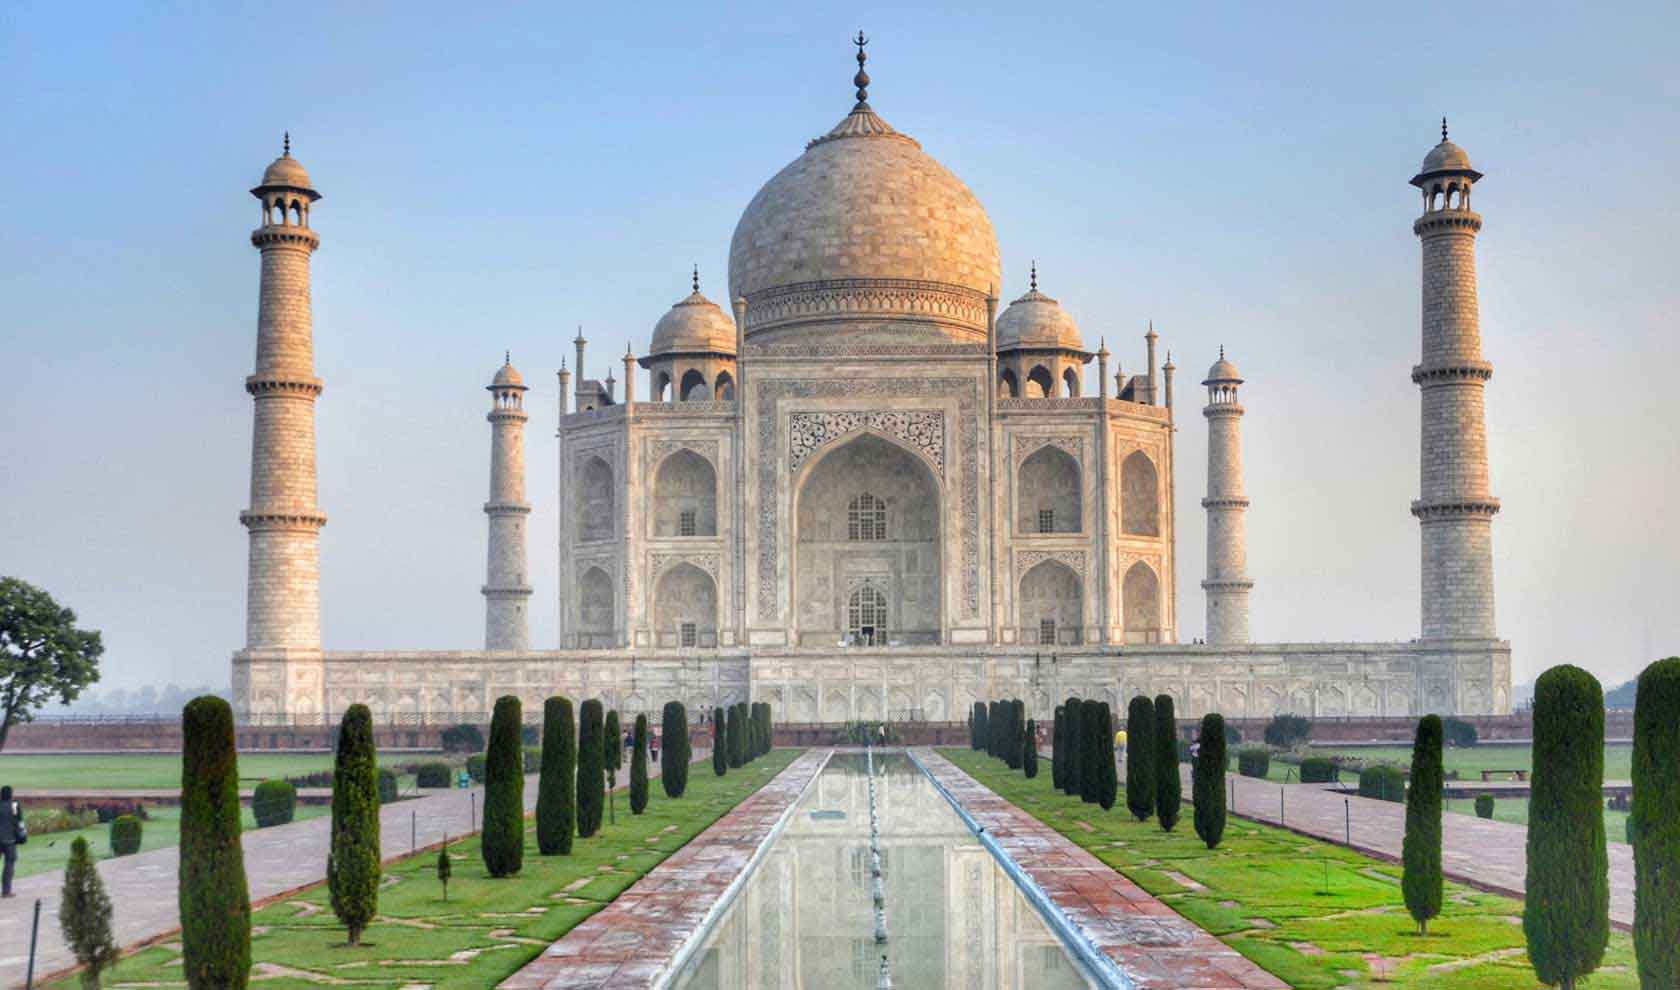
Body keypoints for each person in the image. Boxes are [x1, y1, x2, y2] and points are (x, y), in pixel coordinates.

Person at [0, 785, 21, 898]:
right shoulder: (14, 805)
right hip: (10, 840)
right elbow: (19, 820)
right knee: (9, 866)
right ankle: (6, 891)